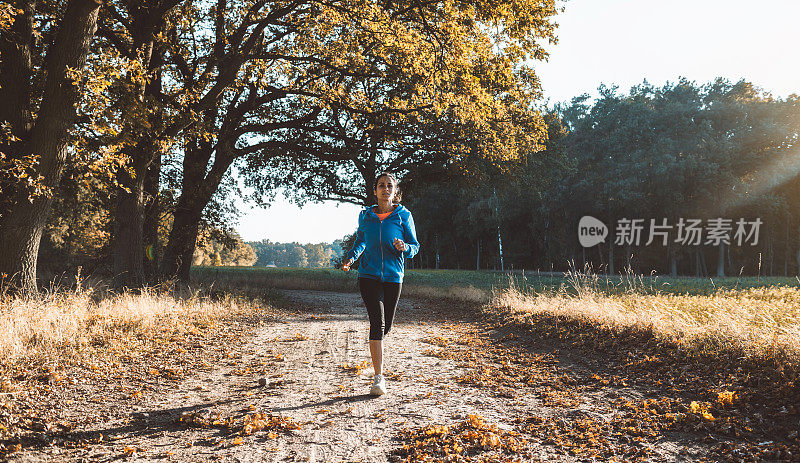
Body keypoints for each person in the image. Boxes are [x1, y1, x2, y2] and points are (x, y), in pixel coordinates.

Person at [341, 172, 419, 396]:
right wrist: (350, 258)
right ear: (375, 191)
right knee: (377, 323)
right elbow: (360, 241)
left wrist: (404, 247)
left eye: (389, 186)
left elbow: (415, 246)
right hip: (368, 276)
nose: (385, 189)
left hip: (394, 277)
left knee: (387, 327)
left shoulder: (403, 216)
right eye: (381, 185)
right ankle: (378, 378)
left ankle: (376, 357)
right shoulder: (366, 216)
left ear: (395, 192)